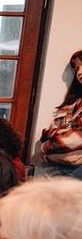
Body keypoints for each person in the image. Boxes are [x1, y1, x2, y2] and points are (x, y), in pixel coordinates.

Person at [36, 48, 82, 178]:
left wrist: (47, 146)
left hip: (74, 170)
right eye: (77, 68)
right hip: (59, 166)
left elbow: (77, 138)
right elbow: (51, 130)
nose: (79, 72)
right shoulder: (73, 103)